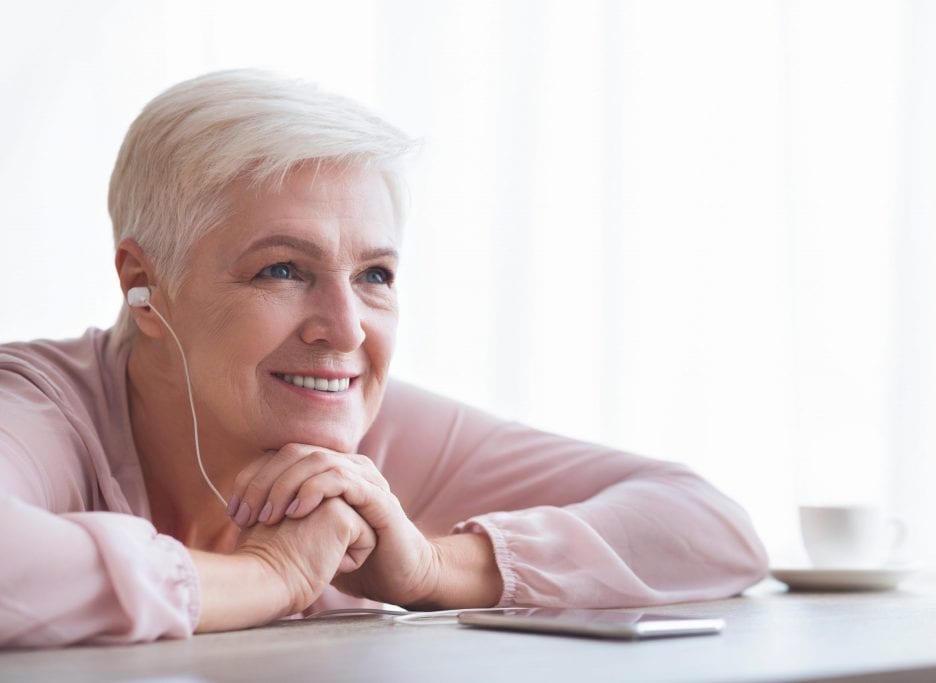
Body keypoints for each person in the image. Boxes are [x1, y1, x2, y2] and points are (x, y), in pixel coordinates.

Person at [0, 69, 768, 648]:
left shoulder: (366, 428)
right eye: (282, 269)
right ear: (144, 282)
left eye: (374, 275)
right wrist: (269, 577)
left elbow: (709, 527)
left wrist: (433, 568)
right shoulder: (38, 407)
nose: (345, 330)